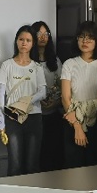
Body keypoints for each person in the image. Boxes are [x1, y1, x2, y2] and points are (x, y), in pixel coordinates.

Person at [0, 26, 45, 176]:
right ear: (16, 41)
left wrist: (25, 102)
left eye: (28, 40)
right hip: (12, 117)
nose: (24, 43)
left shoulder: (37, 67)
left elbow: (43, 93)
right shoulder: (7, 65)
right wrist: (0, 121)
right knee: (15, 165)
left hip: (33, 116)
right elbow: (0, 95)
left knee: (32, 165)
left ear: (33, 43)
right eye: (21, 39)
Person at [61, 21, 97, 167]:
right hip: (72, 120)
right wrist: (77, 125)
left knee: (96, 166)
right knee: (74, 167)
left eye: (90, 37)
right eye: (81, 37)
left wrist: (81, 109)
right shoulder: (69, 64)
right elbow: (65, 98)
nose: (85, 41)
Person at [32, 21, 63, 172]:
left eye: (46, 34)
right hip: (33, 113)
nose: (43, 37)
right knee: (35, 153)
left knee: (51, 151)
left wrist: (54, 103)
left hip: (52, 113)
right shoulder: (28, 60)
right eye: (39, 34)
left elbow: (62, 85)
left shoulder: (55, 61)